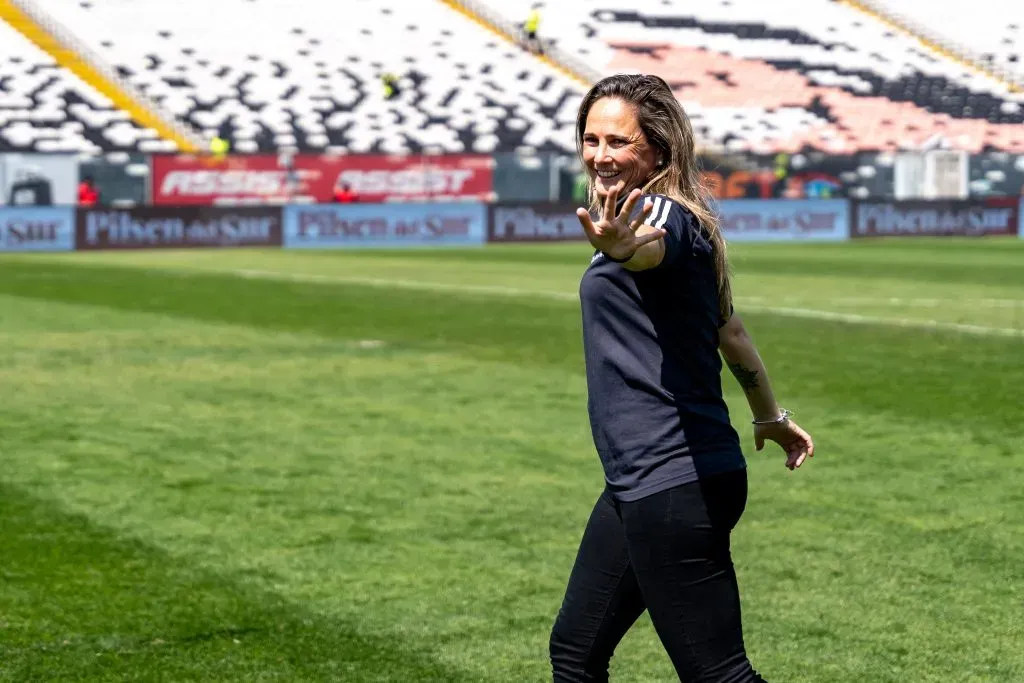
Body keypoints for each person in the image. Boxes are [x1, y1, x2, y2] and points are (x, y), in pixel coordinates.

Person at [549, 73, 815, 683]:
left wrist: (623, 248)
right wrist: (770, 417)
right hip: (649, 477)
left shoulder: (659, 214)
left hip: (673, 480)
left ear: (659, 149)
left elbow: (647, 247)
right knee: (576, 652)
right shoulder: (692, 220)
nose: (600, 155)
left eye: (618, 141)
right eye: (591, 139)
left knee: (719, 675)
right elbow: (732, 333)